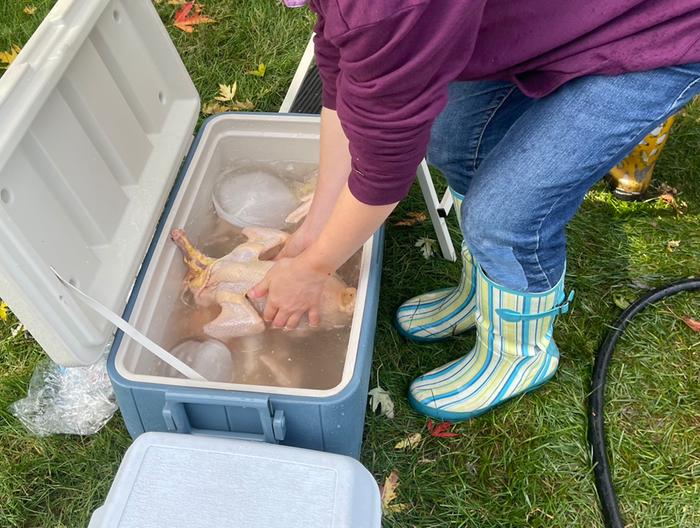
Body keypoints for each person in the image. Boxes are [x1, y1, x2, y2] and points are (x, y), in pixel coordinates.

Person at [250, 0, 700, 421]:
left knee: (505, 217)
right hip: (551, 17)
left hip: (657, 23)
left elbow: (384, 171)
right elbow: (337, 72)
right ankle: (482, 291)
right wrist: (313, 229)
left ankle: (518, 354)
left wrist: (314, 267)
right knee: (453, 141)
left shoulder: (384, 8)